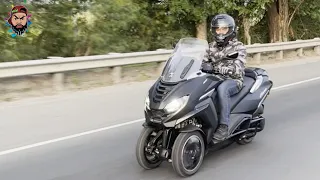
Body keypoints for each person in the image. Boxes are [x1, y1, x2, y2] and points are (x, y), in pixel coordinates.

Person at [201, 14, 247, 141]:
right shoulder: (211, 46)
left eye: (224, 29)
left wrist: (223, 69)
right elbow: (203, 62)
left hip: (232, 80)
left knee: (222, 89)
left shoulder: (238, 47)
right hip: (214, 78)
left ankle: (223, 126)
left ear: (230, 30)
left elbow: (238, 68)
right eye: (218, 29)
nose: (220, 32)